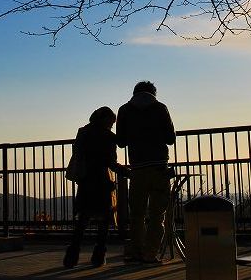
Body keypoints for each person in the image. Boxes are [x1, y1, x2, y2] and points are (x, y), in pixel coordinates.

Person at [116, 80, 176, 264]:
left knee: (137, 215)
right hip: (159, 167)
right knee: (157, 215)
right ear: (153, 93)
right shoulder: (160, 108)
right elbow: (170, 138)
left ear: (134, 93)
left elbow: (121, 142)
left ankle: (136, 252)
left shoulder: (124, 110)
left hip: (137, 169)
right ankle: (150, 254)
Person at [63, 106, 123, 269]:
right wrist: (123, 171)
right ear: (106, 120)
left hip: (86, 180)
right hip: (102, 180)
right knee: (104, 220)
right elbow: (111, 162)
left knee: (83, 219)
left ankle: (72, 255)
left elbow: (77, 154)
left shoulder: (83, 132)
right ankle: (98, 256)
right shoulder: (108, 136)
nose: (111, 125)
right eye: (111, 122)